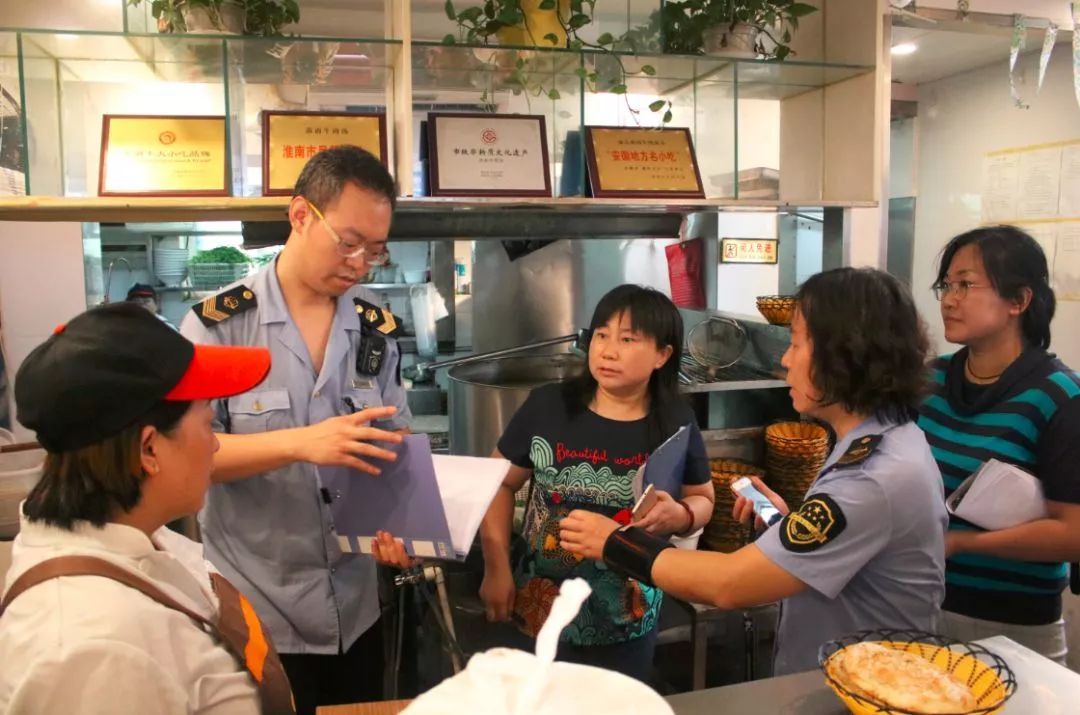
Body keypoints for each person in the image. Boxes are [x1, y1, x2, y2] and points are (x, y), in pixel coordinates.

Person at [560, 268, 948, 676]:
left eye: (797, 344)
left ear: (843, 356)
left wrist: (615, 543)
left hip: (865, 689)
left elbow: (730, 584)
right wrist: (783, 522)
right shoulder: (884, 440)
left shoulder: (872, 476)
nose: (784, 359)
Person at [179, 146, 414, 715]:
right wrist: (300, 443)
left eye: (375, 251)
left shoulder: (374, 326)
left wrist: (407, 524)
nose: (360, 262)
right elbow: (188, 459)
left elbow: (396, 443)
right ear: (301, 215)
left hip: (356, 605)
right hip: (257, 607)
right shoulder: (221, 324)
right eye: (349, 242)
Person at [0, 302, 287, 714]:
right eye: (208, 424)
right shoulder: (92, 649)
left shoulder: (142, 539)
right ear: (149, 448)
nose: (217, 444)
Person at [477, 284, 715, 682]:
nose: (607, 350)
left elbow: (703, 497)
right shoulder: (547, 405)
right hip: (538, 604)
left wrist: (683, 515)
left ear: (662, 355)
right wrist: (496, 566)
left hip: (628, 616)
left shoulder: (675, 419)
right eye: (601, 335)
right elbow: (497, 483)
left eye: (627, 339)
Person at [917, 225, 1080, 664]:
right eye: (946, 285)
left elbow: (1074, 534)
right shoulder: (930, 381)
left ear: (1018, 301)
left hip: (1014, 628)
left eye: (966, 285)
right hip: (920, 604)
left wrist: (961, 543)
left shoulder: (1061, 397)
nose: (949, 299)